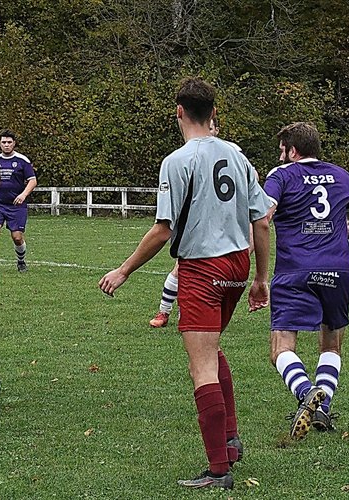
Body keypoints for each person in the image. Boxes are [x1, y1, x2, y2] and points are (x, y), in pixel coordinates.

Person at [99, 77, 271, 490]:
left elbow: (162, 230)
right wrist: (262, 279)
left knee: (201, 365)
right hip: (237, 266)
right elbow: (262, 220)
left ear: (179, 111)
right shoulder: (238, 155)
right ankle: (229, 439)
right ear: (213, 112)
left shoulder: (177, 161)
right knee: (212, 350)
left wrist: (124, 270)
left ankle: (217, 470)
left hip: (199, 269)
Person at [264, 122, 349, 440]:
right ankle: (321, 408)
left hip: (295, 270)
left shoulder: (280, 176)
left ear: (292, 151)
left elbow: (263, 218)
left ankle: (307, 392)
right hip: (337, 270)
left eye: (282, 151)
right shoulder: (341, 175)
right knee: (331, 344)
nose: (281, 157)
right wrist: (332, 234)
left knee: (281, 347)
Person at [148, 117, 245, 328]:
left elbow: (162, 229)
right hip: (215, 243)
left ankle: (175, 313)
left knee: (203, 344)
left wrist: (124, 271)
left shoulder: (231, 152)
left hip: (218, 240)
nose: (208, 131)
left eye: (211, 127)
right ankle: (166, 311)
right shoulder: (191, 155)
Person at [0, 130, 37, 272]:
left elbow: (32, 181)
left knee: (17, 238)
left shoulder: (22, 161)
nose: (6, 145)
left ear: (14, 143)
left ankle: (21, 261)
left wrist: (23, 195)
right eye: (4, 142)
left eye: (9, 142)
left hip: (17, 206)